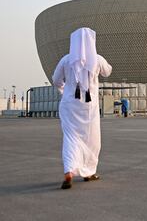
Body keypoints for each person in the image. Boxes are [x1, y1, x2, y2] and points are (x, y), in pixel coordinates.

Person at [52, 27, 112, 189]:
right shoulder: (97, 60)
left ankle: (69, 171)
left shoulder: (66, 60)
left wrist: (65, 90)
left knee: (71, 138)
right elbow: (108, 72)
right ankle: (89, 172)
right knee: (91, 139)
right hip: (89, 107)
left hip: (70, 105)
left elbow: (56, 79)